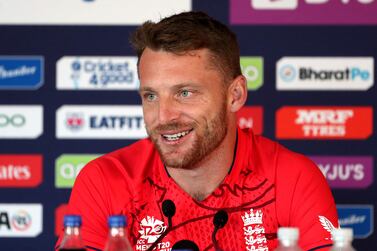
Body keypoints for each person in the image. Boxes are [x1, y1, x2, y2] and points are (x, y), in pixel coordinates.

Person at [56, 11, 338, 251]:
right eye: (151, 96)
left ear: (235, 95)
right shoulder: (105, 180)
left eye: (185, 93)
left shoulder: (293, 178)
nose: (163, 116)